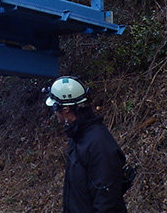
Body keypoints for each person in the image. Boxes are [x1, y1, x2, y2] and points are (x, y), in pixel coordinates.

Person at [45, 76, 127, 212]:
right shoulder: (78, 136)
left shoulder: (98, 143)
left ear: (65, 109)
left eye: (55, 108)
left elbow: (108, 202)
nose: (54, 114)